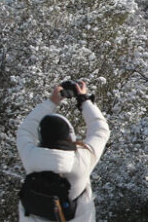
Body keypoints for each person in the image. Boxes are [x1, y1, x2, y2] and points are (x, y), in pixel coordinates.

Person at [17, 80, 111, 222]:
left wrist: (51, 102)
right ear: (69, 135)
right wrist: (84, 100)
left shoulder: (31, 157)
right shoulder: (82, 160)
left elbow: (25, 130)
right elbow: (101, 129)